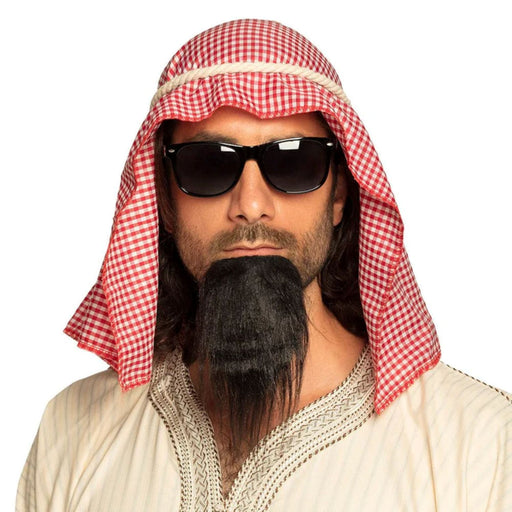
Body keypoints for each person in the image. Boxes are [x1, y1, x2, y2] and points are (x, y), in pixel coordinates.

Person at [17, 19, 511, 511]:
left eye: (293, 162)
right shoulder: (75, 435)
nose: (251, 206)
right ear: (164, 201)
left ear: (339, 194)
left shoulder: (480, 448)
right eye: (208, 163)